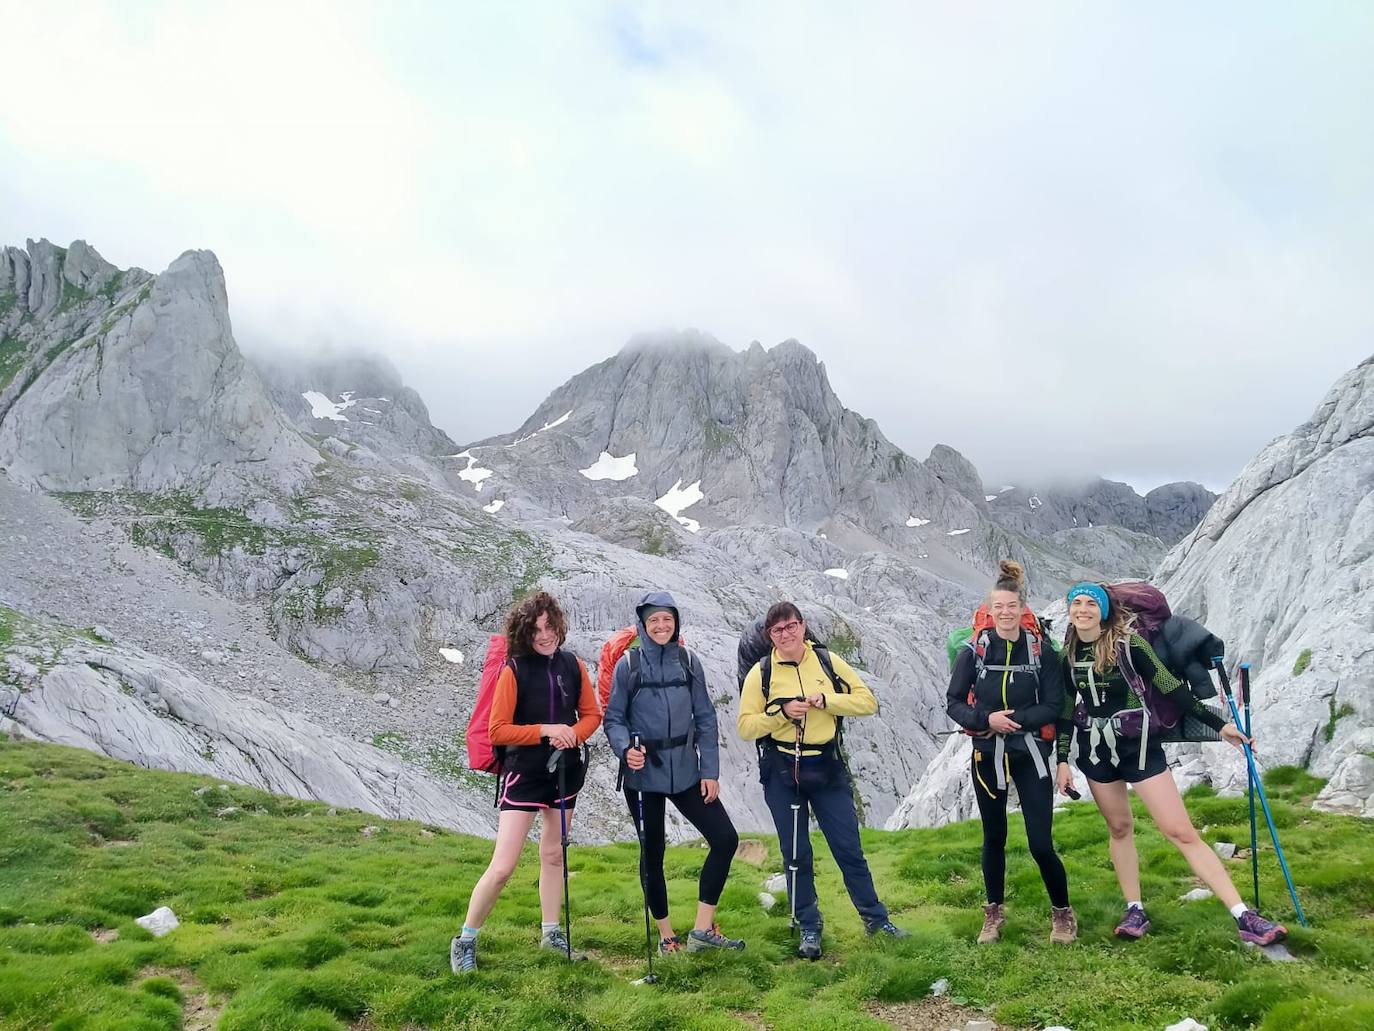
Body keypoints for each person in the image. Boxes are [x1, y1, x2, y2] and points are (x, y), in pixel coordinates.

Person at [1054, 582, 1287, 945]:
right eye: (1076, 603)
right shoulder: (1068, 655)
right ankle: (1135, 908)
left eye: (1090, 603)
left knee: (1180, 831)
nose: (1082, 609)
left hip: (1140, 749)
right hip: (1095, 753)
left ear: (1103, 610)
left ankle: (1243, 914)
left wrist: (1219, 725)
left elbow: (1171, 688)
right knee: (1118, 828)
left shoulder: (1130, 645)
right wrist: (1063, 760)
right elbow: (1068, 710)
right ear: (1069, 611)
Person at [737, 601, 907, 960]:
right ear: (770, 636)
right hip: (782, 769)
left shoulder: (827, 661)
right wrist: (781, 715)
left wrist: (826, 701)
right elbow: (745, 726)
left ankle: (876, 920)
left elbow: (867, 702)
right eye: (778, 630)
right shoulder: (762, 672)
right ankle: (809, 927)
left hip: (826, 766)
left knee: (849, 848)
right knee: (796, 854)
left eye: (791, 626)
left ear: (803, 626)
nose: (786, 634)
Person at [451, 592, 602, 974]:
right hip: (523, 774)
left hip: (563, 773)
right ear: (524, 631)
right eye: (536, 630)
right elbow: (498, 730)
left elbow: (591, 714)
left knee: (554, 854)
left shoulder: (573, 665)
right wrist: (547, 731)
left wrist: (574, 734)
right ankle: (465, 939)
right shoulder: (513, 670)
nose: (545, 635)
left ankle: (551, 933)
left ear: (559, 625)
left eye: (550, 627)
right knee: (503, 866)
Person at [603, 591, 745, 954]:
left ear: (675, 621)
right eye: (654, 621)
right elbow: (614, 718)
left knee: (725, 838)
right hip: (643, 775)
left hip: (686, 770)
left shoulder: (688, 661)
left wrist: (709, 771)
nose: (661, 626)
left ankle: (702, 931)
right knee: (653, 853)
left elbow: (706, 718)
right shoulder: (629, 665)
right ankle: (667, 935)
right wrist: (625, 750)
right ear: (643, 625)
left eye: (667, 619)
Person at [947, 560, 1076, 945]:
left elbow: (1053, 705)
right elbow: (954, 701)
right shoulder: (973, 651)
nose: (1004, 613)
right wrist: (987, 718)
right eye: (997, 607)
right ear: (990, 611)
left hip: (1031, 752)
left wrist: (1011, 720)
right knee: (993, 838)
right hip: (987, 753)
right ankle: (993, 914)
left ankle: (1063, 914)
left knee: (1040, 842)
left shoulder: (1041, 652)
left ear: (1024, 609)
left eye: (1011, 606)